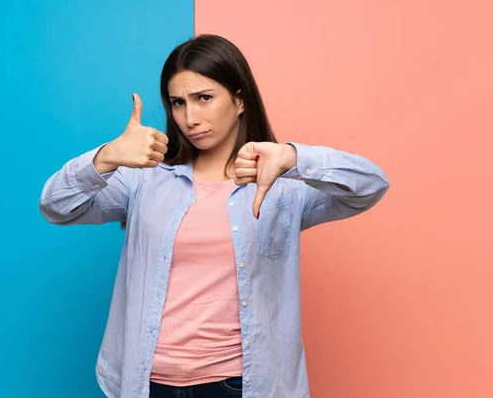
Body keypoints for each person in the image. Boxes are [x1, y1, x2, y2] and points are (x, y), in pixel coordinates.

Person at [39, 34, 389, 398]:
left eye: (204, 98)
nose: (190, 118)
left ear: (239, 99)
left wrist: (293, 157)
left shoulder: (283, 186)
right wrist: (106, 157)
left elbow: (370, 185)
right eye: (178, 103)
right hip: (148, 383)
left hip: (239, 385)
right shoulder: (143, 179)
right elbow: (56, 207)